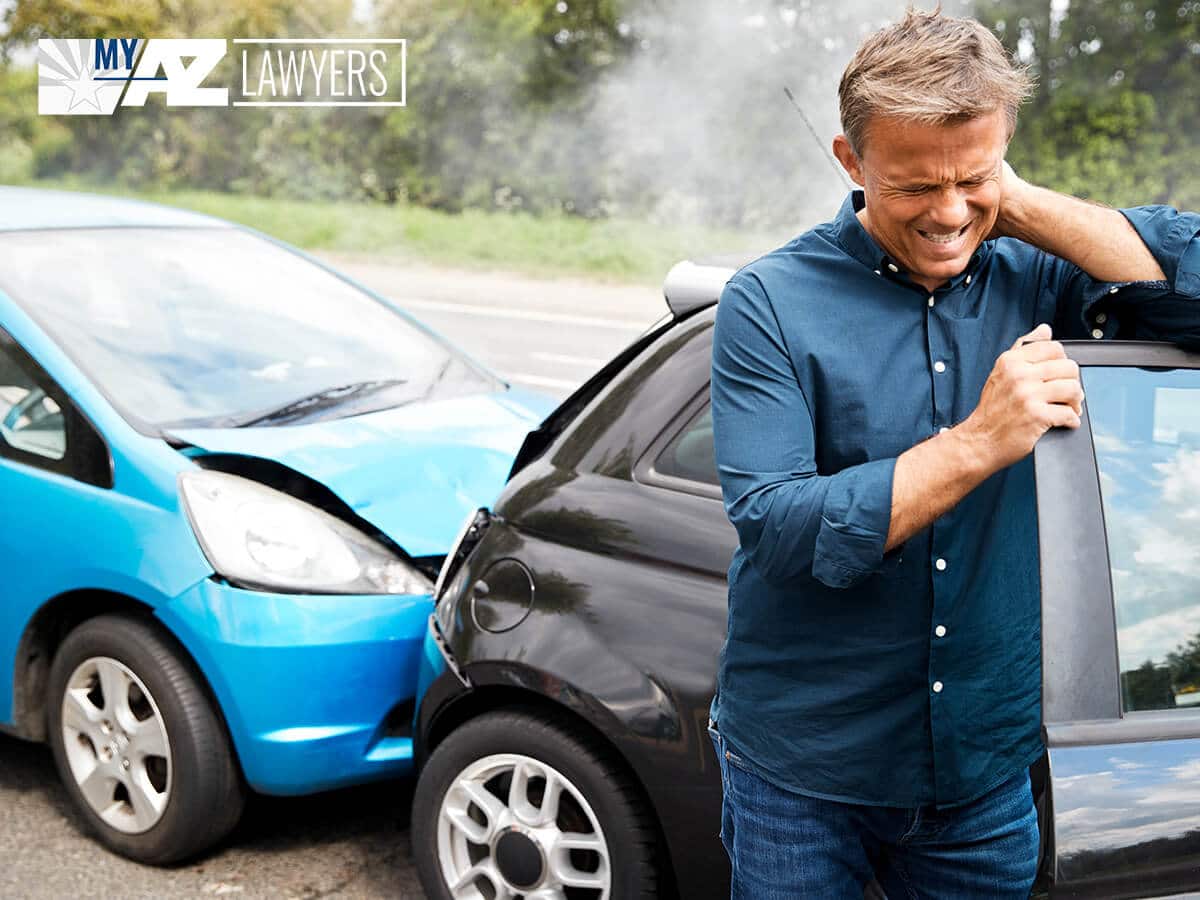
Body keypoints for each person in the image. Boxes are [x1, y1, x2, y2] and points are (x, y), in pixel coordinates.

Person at [708, 7, 1200, 898]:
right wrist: (979, 441)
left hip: (982, 775)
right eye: (913, 187)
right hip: (802, 772)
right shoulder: (767, 303)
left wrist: (1011, 201)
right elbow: (778, 527)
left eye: (971, 177)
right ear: (851, 162)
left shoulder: (1043, 274)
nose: (947, 215)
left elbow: (1191, 291)